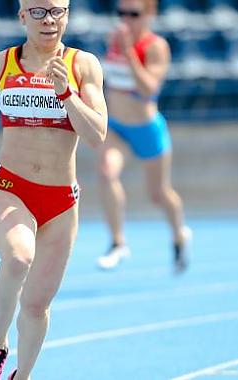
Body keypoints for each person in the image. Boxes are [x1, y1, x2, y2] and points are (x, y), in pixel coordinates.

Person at [0, 0, 107, 378]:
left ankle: (23, 375)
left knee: (36, 306)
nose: (48, 20)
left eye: (57, 12)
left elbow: (97, 134)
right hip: (8, 186)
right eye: (38, 12)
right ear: (22, 16)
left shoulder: (83, 65)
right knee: (18, 256)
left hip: (61, 202)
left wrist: (67, 95)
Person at [96, 0, 191, 273]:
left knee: (159, 193)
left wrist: (129, 54)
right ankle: (117, 242)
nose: (126, 20)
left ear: (150, 14)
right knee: (106, 172)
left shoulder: (155, 47)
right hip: (116, 126)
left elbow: (149, 89)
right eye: (121, 13)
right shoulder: (113, 39)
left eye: (133, 14)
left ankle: (179, 235)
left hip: (146, 128)